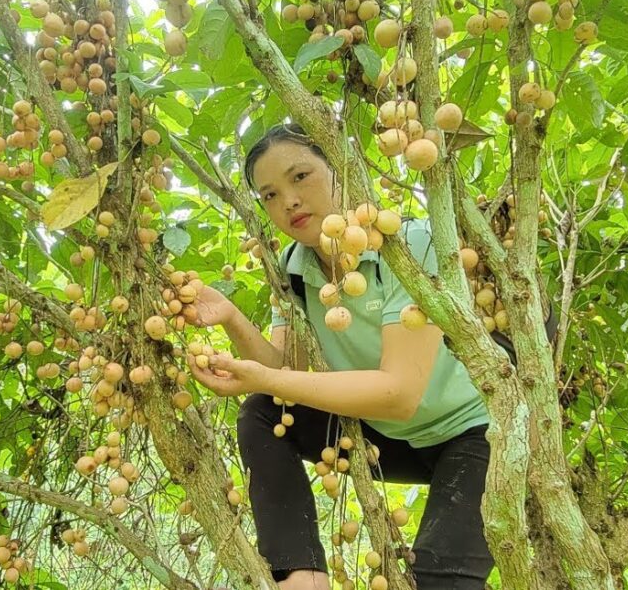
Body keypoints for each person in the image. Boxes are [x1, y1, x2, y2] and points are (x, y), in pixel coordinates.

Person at [188, 123, 501, 590]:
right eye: (270, 194)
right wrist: (232, 318)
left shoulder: (408, 246)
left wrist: (266, 378)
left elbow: (399, 395)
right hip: (388, 437)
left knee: (438, 578)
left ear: (341, 170)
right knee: (263, 412)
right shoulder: (293, 272)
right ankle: (301, 576)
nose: (288, 201)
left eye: (300, 177)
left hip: (474, 433)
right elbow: (284, 372)